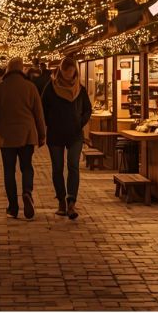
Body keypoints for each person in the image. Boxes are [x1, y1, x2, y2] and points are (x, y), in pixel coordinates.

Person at [0, 57, 46, 219]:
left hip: (7, 136)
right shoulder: (30, 87)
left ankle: (13, 207)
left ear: (8, 70)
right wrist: (42, 135)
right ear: (22, 70)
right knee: (27, 167)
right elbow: (39, 114)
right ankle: (27, 191)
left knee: (9, 171)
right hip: (27, 135)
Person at [41, 54, 92, 220]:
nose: (68, 75)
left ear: (74, 71)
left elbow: (87, 109)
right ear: (60, 71)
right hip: (56, 134)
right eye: (65, 72)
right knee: (57, 168)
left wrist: (80, 122)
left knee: (73, 166)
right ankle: (61, 201)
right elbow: (43, 108)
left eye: (70, 72)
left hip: (75, 134)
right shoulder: (51, 87)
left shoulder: (80, 89)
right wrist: (51, 123)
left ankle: (71, 201)